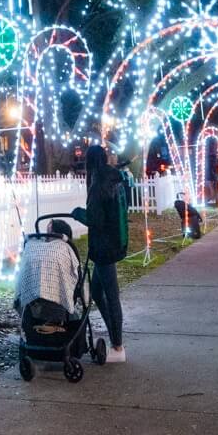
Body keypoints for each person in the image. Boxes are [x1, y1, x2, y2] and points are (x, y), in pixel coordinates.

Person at [70, 143, 131, 363]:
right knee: (96, 292)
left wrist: (77, 213)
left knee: (112, 297)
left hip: (104, 247)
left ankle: (117, 345)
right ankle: (114, 333)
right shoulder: (115, 180)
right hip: (114, 243)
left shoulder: (98, 185)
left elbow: (95, 219)